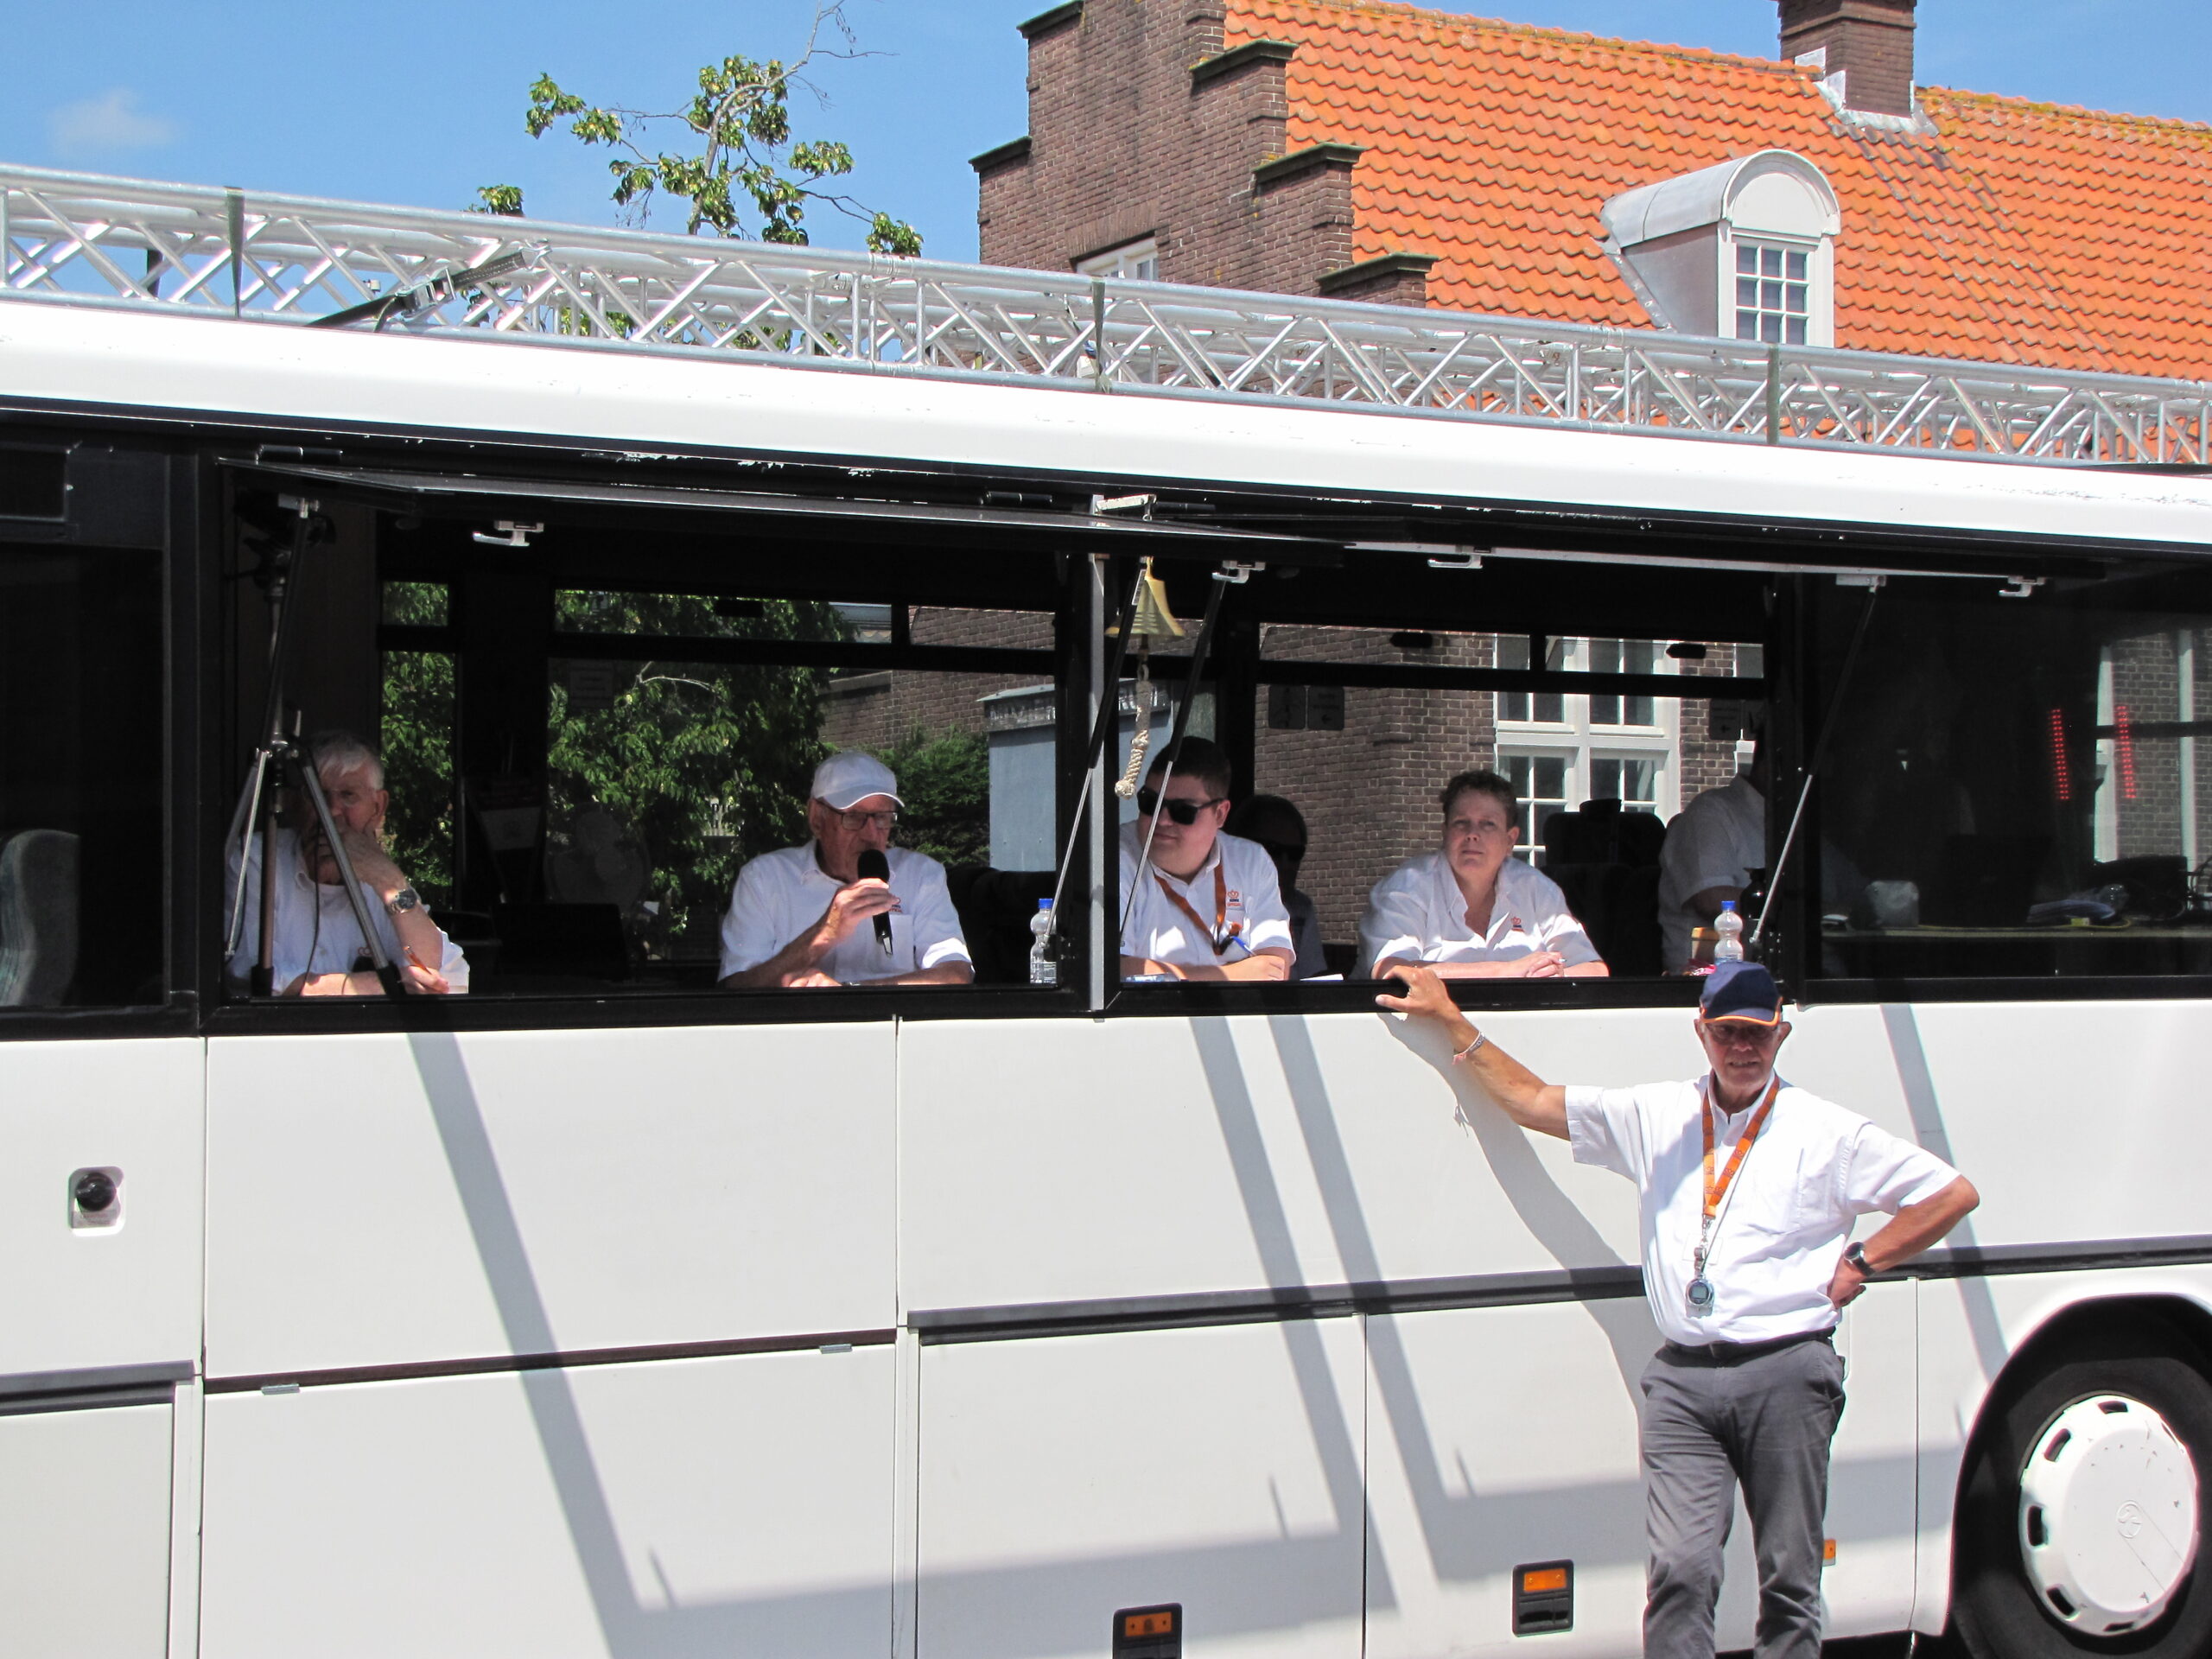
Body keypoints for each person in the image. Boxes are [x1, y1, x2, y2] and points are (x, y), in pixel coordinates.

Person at [1377, 958, 1978, 1659]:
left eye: (1756, 1033)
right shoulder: (1656, 1114)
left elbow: (1950, 1194)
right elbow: (1533, 1101)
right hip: (1684, 1386)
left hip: (1786, 1374)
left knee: (1790, 1579)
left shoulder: (1827, 1132)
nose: (1742, 1048)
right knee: (1681, 1572)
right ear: (1701, 1032)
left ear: (1781, 1035)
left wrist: (1864, 1261)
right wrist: (1451, 1018)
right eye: (1728, 1032)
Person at [224, 730, 467, 996]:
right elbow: (246, 974)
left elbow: (446, 977)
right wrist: (385, 984)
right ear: (296, 804)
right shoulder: (259, 858)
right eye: (316, 795)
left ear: (377, 807)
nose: (331, 811)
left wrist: (392, 884)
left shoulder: (381, 876)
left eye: (348, 795)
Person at [719, 752, 973, 988]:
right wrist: (825, 933)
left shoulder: (920, 876)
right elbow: (737, 987)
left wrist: (850, 995)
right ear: (817, 818)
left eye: (883, 817)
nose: (872, 834)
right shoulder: (765, 879)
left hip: (892, 1028)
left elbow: (955, 972)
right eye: (853, 817)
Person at [1359, 768, 1608, 979]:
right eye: (1461, 823)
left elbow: (1594, 969)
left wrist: (1554, 974)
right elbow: (1392, 969)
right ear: (1445, 832)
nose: (1472, 834)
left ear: (1510, 839)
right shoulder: (1406, 887)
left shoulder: (1536, 887)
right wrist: (1508, 971)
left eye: (1488, 824)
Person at [1119, 738, 1294, 982]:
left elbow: (1275, 967)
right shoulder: (1112, 858)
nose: (1162, 820)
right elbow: (1109, 971)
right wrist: (1230, 975)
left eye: (1183, 811)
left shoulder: (1251, 861)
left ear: (1220, 813)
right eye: (1150, 803)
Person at [1658, 747, 1765, 973]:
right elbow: (1710, 898)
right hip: (1711, 984)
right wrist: (1805, 907)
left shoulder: (1808, 819)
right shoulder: (1711, 811)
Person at [1225, 793, 1327, 979]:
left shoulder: (1301, 907)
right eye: (1272, 849)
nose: (1285, 863)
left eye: (1295, 853)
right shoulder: (1209, 893)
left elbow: (1314, 976)